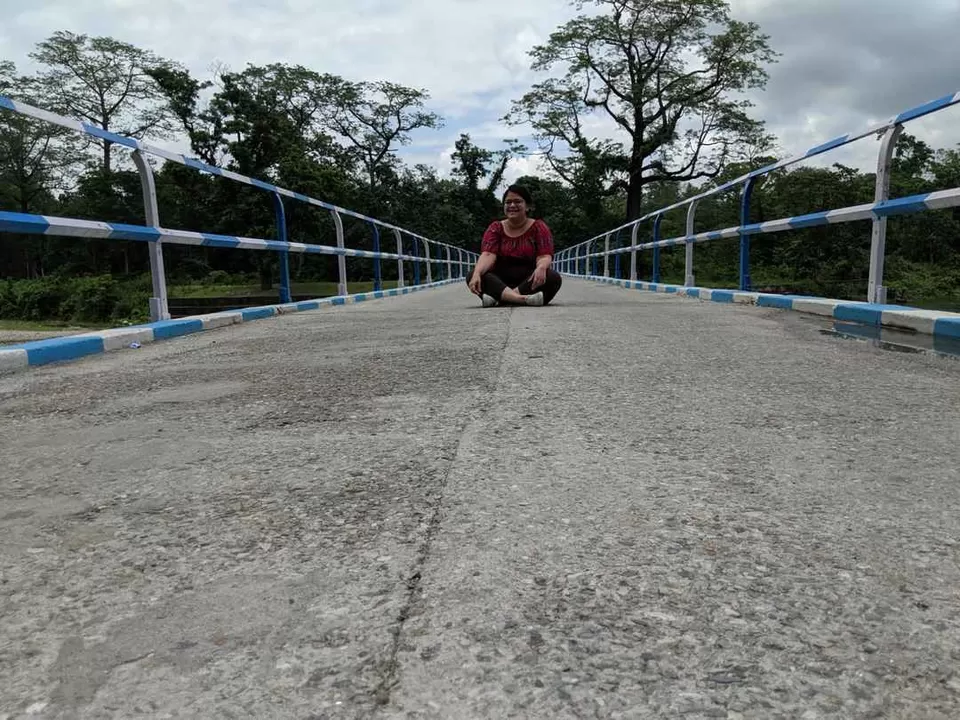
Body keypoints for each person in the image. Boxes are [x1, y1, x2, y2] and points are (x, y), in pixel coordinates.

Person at [466, 184, 562, 307]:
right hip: (500, 280)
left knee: (552, 277)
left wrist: (542, 267)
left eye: (517, 202)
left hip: (527, 280)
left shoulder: (538, 227)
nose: (512, 205)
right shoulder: (496, 228)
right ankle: (521, 299)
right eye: (508, 202)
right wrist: (477, 273)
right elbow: (488, 254)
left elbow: (544, 255)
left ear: (527, 206)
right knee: (473, 275)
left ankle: (500, 299)